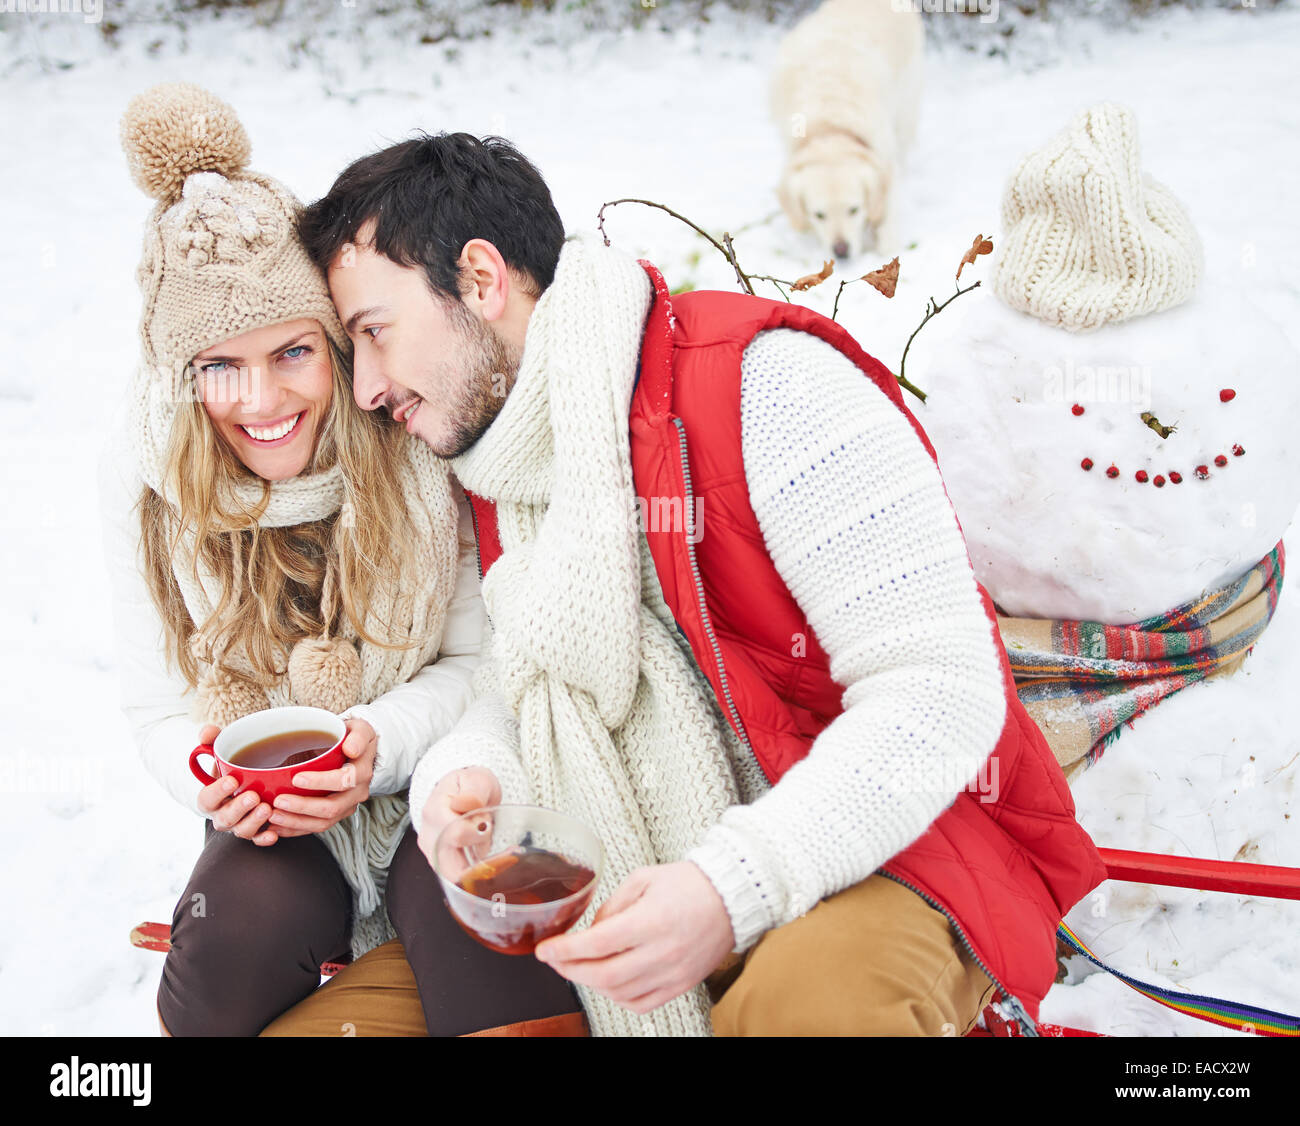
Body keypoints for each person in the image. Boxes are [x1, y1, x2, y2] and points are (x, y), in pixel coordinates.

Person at [287, 131, 1108, 1037]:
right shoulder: (498, 469)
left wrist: (731, 887)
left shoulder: (767, 384)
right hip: (635, 880)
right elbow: (523, 679)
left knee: (799, 1013)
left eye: (373, 333)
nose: (364, 388)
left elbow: (940, 691)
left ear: (481, 281)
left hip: (886, 857)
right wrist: (466, 774)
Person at [101, 86, 484, 1036]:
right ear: (180, 379)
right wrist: (212, 780)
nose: (260, 399)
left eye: (293, 353)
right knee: (232, 927)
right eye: (217, 367)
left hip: (442, 767)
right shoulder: (149, 484)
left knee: (469, 906)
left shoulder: (410, 432)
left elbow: (480, 663)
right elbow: (156, 706)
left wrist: (376, 749)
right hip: (271, 807)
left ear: (335, 341)